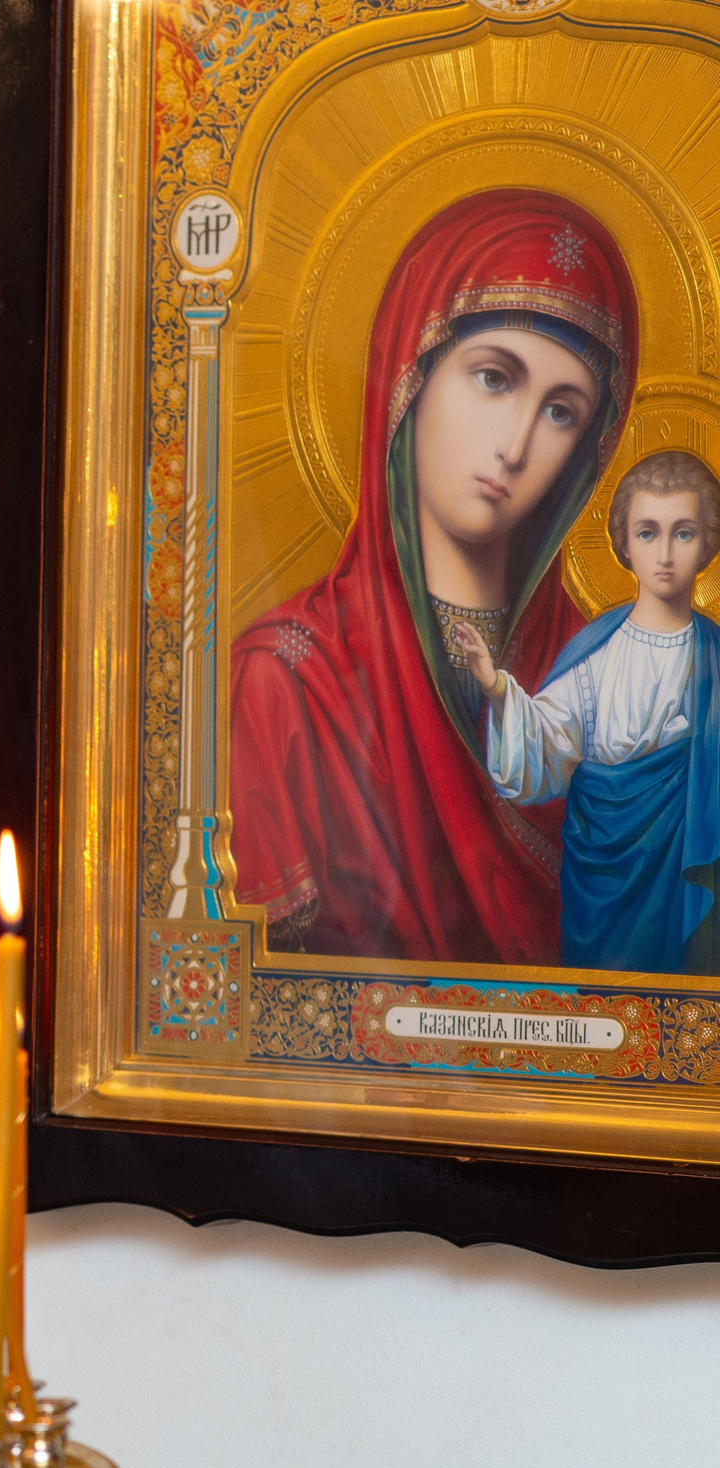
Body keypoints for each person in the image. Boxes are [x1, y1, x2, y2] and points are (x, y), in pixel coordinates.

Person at [230, 190, 638, 963]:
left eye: (561, 411)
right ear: (407, 378)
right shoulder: (287, 681)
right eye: (493, 378)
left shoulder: (605, 677)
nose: (515, 446)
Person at [458, 449, 720, 973]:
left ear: (708, 542)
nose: (665, 553)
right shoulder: (597, 654)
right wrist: (498, 689)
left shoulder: (715, 655)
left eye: (683, 532)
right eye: (648, 532)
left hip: (688, 879)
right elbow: (548, 746)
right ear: (624, 542)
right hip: (603, 884)